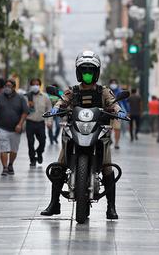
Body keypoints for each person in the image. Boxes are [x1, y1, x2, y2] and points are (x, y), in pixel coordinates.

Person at [41, 51, 125, 219]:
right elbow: (61, 101)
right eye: (84, 70)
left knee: (107, 167)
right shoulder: (72, 91)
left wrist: (119, 111)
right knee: (59, 164)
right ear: (79, 72)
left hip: (100, 132)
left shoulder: (104, 91)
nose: (87, 74)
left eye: (90, 70)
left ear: (96, 72)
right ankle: (54, 203)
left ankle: (111, 207)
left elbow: (113, 104)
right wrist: (56, 108)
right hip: (74, 131)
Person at [0, 79, 29, 176]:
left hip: (16, 130)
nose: (7, 88)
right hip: (2, 128)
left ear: (14, 87)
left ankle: (10, 164)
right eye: (5, 86)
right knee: (3, 148)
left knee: (13, 150)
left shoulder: (20, 98)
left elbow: (25, 112)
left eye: (9, 86)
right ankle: (5, 168)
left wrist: (20, 124)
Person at [25, 78, 52, 167]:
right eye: (33, 84)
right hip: (30, 122)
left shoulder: (45, 97)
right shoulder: (26, 96)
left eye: (37, 84)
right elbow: (22, 110)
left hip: (40, 123)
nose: (35, 86)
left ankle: (39, 152)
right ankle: (32, 159)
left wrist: (49, 121)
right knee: (30, 142)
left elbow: (49, 109)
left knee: (43, 141)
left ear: (40, 86)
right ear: (31, 86)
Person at [108, 79, 129, 149]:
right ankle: (109, 139)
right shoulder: (106, 91)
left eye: (115, 83)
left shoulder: (120, 92)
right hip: (108, 113)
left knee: (117, 128)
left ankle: (116, 143)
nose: (113, 84)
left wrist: (127, 111)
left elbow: (125, 103)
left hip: (117, 113)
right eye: (112, 83)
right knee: (108, 129)